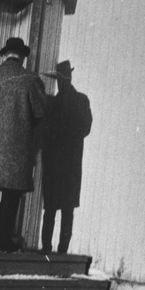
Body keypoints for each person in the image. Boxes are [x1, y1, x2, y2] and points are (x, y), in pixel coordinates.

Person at [0, 36, 46, 252]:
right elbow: (40, 112)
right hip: (17, 147)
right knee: (11, 196)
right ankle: (3, 240)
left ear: (4, 55)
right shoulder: (30, 80)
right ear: (22, 56)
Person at [38, 60, 93, 255]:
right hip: (71, 165)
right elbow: (85, 128)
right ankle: (62, 251)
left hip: (53, 163)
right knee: (68, 210)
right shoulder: (82, 101)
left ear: (59, 80)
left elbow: (44, 131)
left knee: (51, 209)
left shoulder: (52, 103)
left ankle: (46, 248)